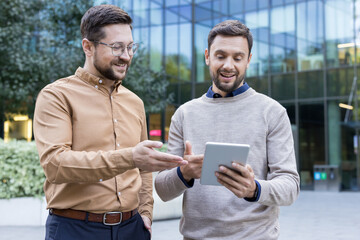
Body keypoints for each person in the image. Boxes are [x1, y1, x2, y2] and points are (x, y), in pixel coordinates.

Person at [33, 5, 187, 240]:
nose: (126, 56)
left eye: (130, 47)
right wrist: (130, 157)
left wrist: (145, 211)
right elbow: (56, 165)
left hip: (132, 228)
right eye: (116, 47)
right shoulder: (56, 95)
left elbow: (143, 168)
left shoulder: (135, 102)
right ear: (88, 46)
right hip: (75, 229)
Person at [155, 20, 300, 240]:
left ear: (249, 60)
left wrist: (254, 189)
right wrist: (184, 173)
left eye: (237, 57)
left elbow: (290, 187)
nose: (228, 65)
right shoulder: (184, 114)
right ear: (207, 56)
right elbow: (163, 190)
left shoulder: (273, 112)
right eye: (220, 56)